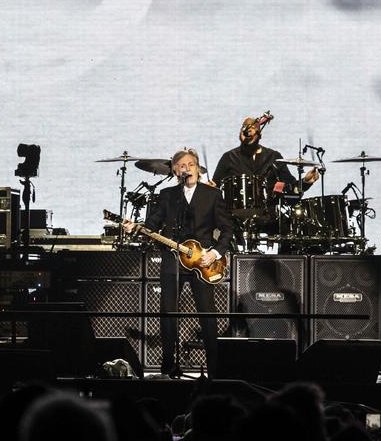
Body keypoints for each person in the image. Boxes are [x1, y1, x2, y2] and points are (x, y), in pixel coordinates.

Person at [128, 149, 233, 377]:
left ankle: (216, 371)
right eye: (183, 165)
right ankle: (168, 368)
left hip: (203, 262)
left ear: (198, 169)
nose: (188, 168)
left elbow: (227, 229)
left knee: (207, 314)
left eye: (192, 164)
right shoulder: (167, 195)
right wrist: (135, 227)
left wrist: (214, 253)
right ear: (176, 171)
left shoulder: (212, 195)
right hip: (173, 260)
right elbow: (152, 224)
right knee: (167, 313)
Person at [212, 115, 319, 198]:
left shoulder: (273, 157)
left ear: (260, 134)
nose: (248, 130)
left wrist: (305, 182)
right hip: (234, 218)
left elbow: (290, 187)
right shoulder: (228, 157)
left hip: (269, 217)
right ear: (239, 134)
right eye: (244, 128)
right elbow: (214, 187)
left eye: (252, 127)